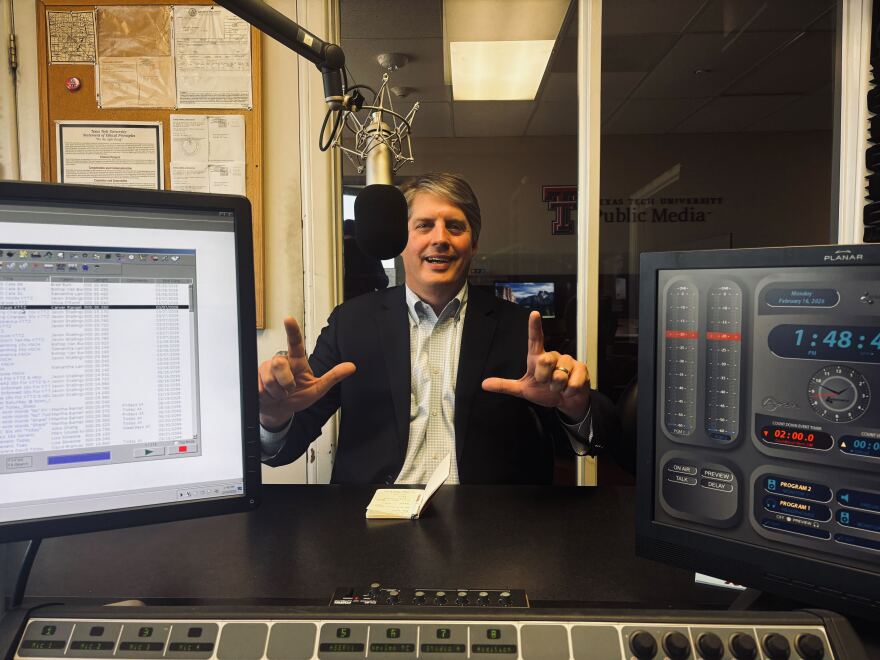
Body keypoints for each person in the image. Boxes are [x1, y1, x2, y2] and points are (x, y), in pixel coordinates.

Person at [258, 173, 618, 484]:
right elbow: (283, 448)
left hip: (493, 523)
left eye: (455, 226)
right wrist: (274, 418)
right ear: (402, 241)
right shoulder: (350, 324)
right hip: (373, 518)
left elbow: (589, 440)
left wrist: (575, 407)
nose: (440, 238)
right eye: (424, 225)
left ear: (473, 243)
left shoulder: (519, 327)